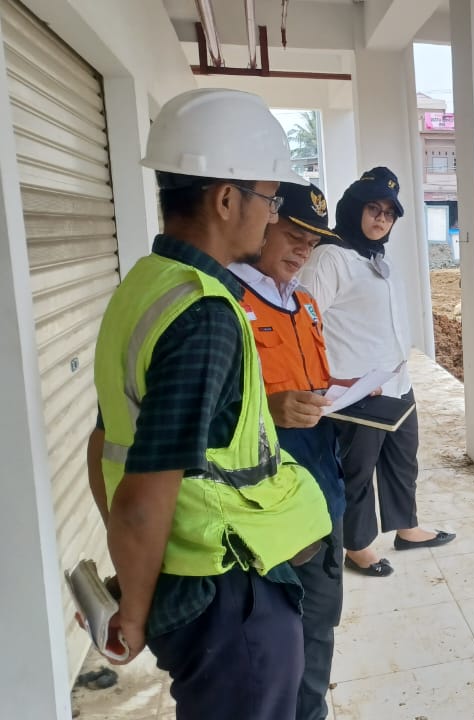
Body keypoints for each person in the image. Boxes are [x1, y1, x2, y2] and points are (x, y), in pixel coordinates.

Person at [85, 88, 331, 719]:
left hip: (197, 580)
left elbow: (104, 442)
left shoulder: (142, 286)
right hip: (224, 593)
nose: (271, 217)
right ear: (226, 198)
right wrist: (134, 611)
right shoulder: (204, 314)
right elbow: (146, 490)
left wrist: (137, 572)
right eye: (269, 200)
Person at [299, 167, 455, 576]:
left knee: (402, 459)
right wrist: (329, 382)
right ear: (353, 209)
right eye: (373, 209)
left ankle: (407, 527)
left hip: (396, 382)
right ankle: (358, 546)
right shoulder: (329, 257)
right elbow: (305, 325)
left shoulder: (375, 257)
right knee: (358, 471)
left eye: (389, 213)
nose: (381, 219)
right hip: (357, 391)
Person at [229, 182, 347, 720]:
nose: (303, 250)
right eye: (294, 235)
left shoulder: (305, 304)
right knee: (270, 638)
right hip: (264, 506)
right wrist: (267, 410)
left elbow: (315, 384)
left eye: (313, 242)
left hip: (322, 490)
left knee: (320, 623)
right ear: (264, 220)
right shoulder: (226, 302)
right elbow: (208, 412)